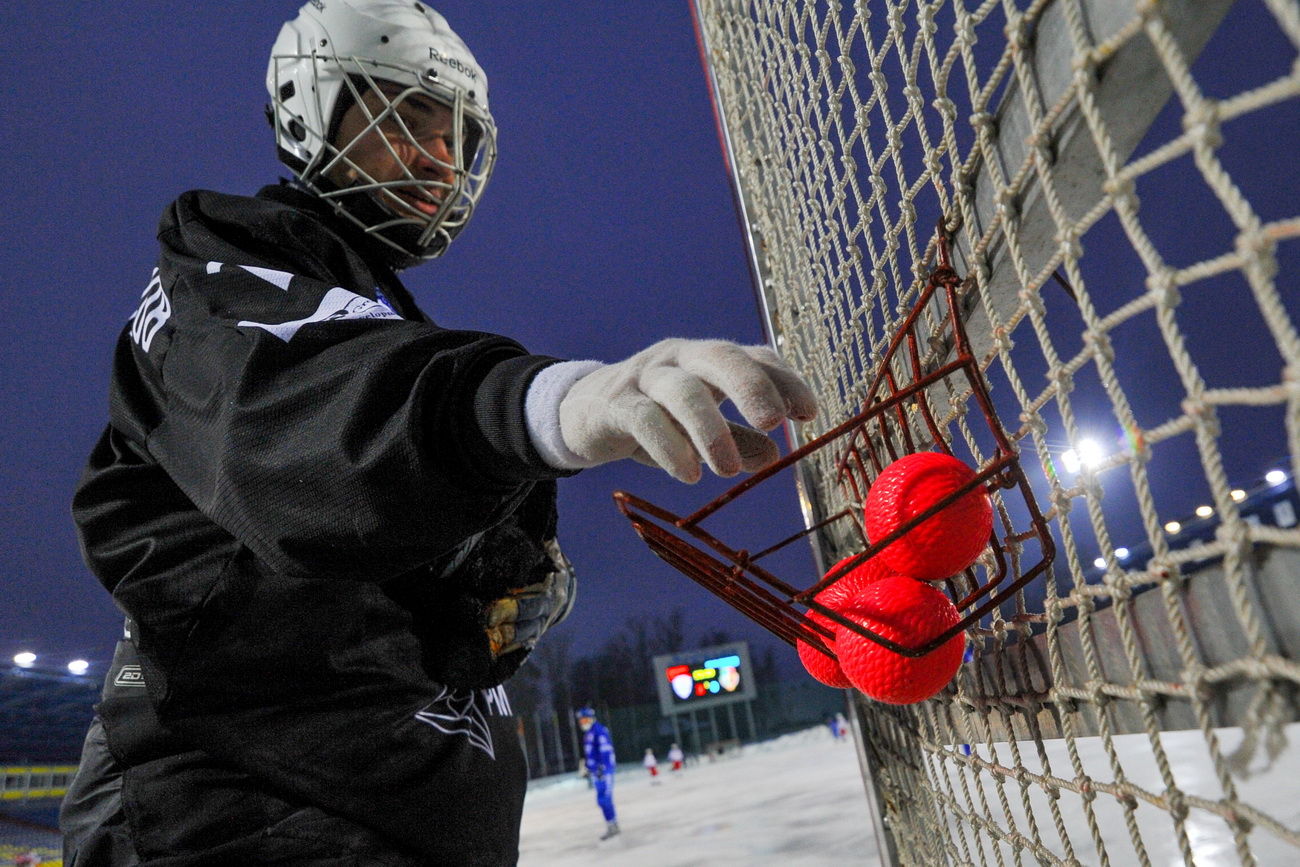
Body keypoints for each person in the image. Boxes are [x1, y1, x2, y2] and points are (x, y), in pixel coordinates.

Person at [58, 2, 817, 865]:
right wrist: (545, 404)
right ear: (315, 107)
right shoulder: (221, 273)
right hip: (230, 818)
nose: (440, 158)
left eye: (458, 136)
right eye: (407, 115)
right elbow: (311, 423)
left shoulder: (378, 318)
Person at [578, 707, 619, 840]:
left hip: (604, 771)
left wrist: (602, 768)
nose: (583, 722)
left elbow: (605, 751)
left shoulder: (599, 731)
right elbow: (592, 755)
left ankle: (613, 825)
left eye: (585, 719)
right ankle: (611, 824)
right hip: (597, 772)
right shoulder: (589, 734)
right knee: (601, 800)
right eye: (581, 720)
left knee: (605, 799)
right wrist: (588, 767)